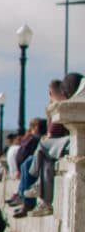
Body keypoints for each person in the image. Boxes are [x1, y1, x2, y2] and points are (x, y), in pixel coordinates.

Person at [23, 72, 82, 217]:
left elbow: (54, 132)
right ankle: (45, 202)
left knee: (43, 146)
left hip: (72, 140)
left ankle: (35, 179)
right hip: (71, 140)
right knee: (47, 159)